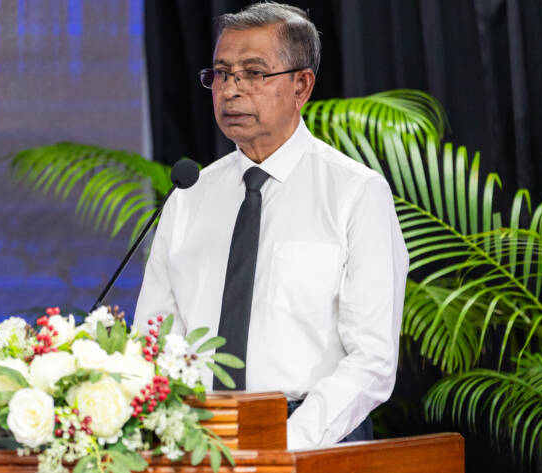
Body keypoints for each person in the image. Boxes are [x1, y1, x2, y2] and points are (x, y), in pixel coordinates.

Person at [133, 2, 409, 449]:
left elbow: (372, 360)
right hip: (200, 438)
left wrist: (285, 441)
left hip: (314, 440)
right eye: (221, 74)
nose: (231, 90)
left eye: (254, 73)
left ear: (302, 85)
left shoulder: (355, 193)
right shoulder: (188, 196)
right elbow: (153, 338)